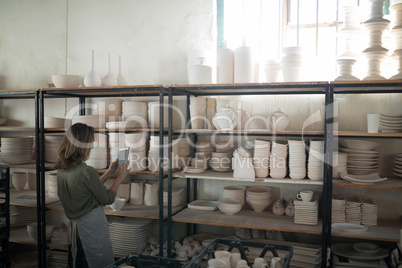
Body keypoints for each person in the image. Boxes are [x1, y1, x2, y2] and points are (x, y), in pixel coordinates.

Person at [55, 122, 130, 268]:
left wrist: (109, 173)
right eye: (90, 141)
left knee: (78, 261)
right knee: (94, 263)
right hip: (90, 227)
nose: (92, 145)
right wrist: (120, 178)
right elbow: (106, 198)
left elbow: (86, 189)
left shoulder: (62, 169)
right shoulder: (86, 171)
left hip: (75, 228)